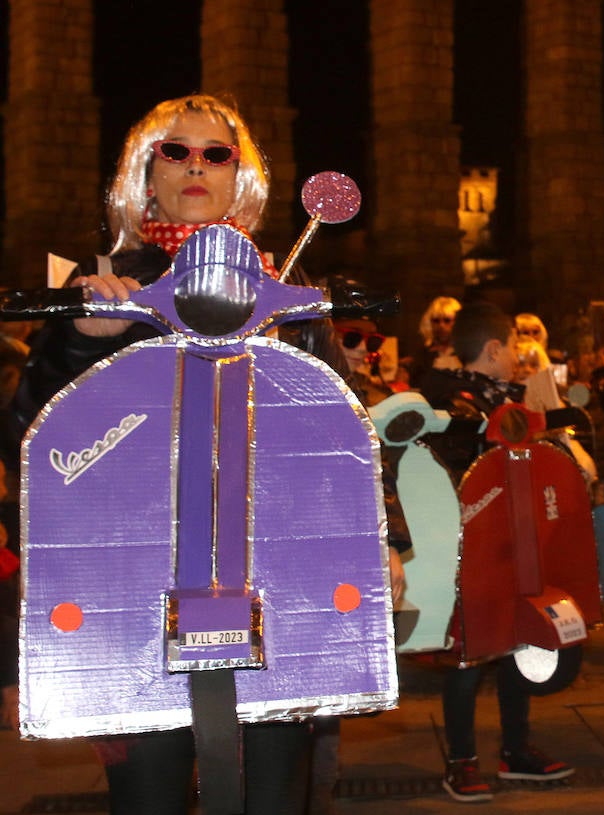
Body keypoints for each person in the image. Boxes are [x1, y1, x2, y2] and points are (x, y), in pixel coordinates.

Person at [10, 94, 339, 815]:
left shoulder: (287, 293)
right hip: (133, 591)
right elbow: (30, 444)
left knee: (274, 798)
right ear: (146, 174)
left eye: (216, 153)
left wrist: (376, 547)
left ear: (238, 175)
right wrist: (80, 343)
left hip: (278, 590)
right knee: (148, 797)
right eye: (176, 151)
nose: (196, 165)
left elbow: (337, 441)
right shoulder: (101, 288)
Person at [418, 302, 575, 804]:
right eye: (510, 348)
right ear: (492, 350)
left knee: (516, 643)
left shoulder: (502, 401)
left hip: (515, 546)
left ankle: (515, 748)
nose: (516, 359)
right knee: (467, 655)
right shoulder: (453, 406)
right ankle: (461, 761)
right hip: (467, 550)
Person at [410, 295, 462, 378]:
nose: (441, 325)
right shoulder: (424, 352)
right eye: (436, 321)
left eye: (447, 320)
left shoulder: (466, 352)